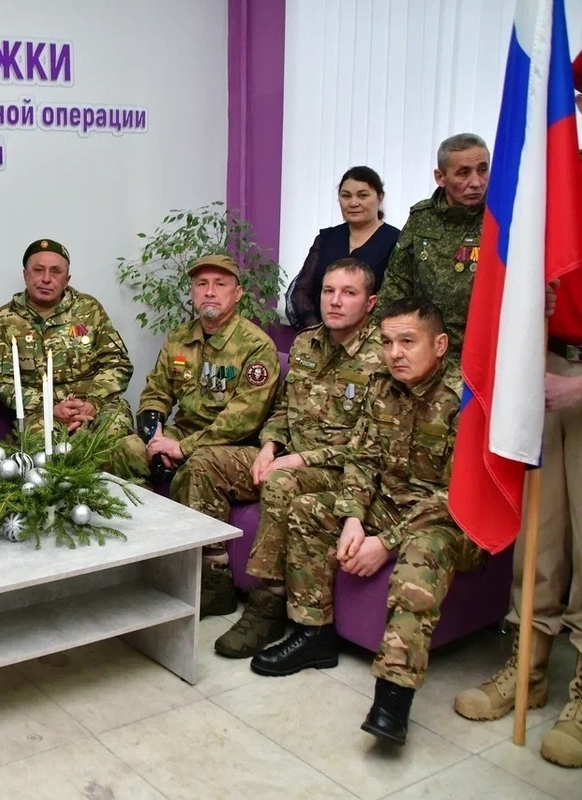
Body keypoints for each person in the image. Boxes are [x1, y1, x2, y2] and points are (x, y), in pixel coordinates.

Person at [250, 297, 484, 747]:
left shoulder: (465, 398)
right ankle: (313, 633)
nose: (395, 353)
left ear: (439, 345)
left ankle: (393, 695)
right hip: (386, 504)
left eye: (408, 342)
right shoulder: (382, 385)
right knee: (310, 509)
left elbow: (457, 494)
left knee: (422, 553)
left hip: (448, 520)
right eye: (388, 342)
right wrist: (354, 519)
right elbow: (362, 460)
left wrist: (387, 542)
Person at [452, 59, 582, 768]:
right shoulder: (556, 181)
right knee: (542, 536)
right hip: (544, 366)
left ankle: (581, 691)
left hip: (580, 384)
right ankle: (526, 667)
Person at [205, 257, 385, 657]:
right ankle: (211, 581)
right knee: (211, 463)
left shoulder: (383, 356)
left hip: (344, 471)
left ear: (370, 303)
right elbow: (285, 409)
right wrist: (269, 447)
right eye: (328, 291)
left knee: (282, 482)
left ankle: (267, 604)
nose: (335, 301)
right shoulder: (306, 343)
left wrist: (300, 460)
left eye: (348, 293)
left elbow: (373, 443)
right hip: (292, 455)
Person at [108, 253, 280, 616]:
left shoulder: (256, 345)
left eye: (220, 284)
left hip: (237, 446)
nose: (210, 292)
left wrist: (182, 447)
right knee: (126, 447)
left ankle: (214, 584)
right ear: (192, 292)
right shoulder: (180, 338)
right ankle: (147, 548)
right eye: (202, 284)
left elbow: (242, 419)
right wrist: (154, 437)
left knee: (198, 463)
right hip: (182, 434)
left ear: (238, 293)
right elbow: (156, 392)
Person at [0, 238, 134, 437]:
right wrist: (49, 408)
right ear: (25, 275)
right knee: (39, 442)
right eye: (38, 270)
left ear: (67, 280)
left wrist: (93, 402)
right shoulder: (3, 320)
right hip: (40, 412)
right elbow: (1, 382)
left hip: (95, 404)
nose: (46, 279)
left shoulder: (89, 309)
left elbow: (118, 363)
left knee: (116, 431)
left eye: (55, 272)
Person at [376, 133, 490, 358]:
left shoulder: (500, 218)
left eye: (482, 170)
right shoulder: (422, 217)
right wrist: (380, 339)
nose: (476, 182)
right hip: (425, 351)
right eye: (463, 173)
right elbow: (397, 282)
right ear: (440, 177)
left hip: (482, 351)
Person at [285, 166, 400, 329]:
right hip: (321, 334)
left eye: (362, 195)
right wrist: (319, 332)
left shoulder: (397, 242)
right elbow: (301, 292)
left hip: (374, 338)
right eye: (346, 196)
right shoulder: (326, 238)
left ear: (380, 198)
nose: (353, 203)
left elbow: (397, 302)